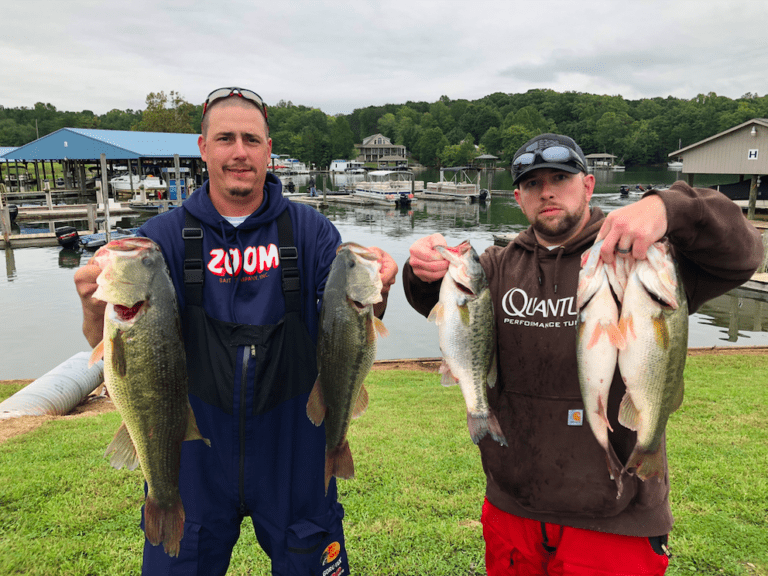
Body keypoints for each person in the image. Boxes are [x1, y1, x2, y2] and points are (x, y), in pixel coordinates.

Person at [402, 133, 763, 576]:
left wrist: (667, 207)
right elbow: (446, 311)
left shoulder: (644, 259)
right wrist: (423, 271)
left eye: (560, 178)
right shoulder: (495, 266)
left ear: (588, 185)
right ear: (517, 198)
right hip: (514, 506)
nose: (546, 192)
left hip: (616, 517)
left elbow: (742, 254)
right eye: (532, 184)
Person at [75, 87, 398, 576]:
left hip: (293, 447)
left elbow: (348, 327)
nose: (239, 152)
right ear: (203, 148)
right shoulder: (156, 242)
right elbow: (115, 353)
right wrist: (90, 304)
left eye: (252, 139)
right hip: (192, 452)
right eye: (225, 138)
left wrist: (379, 286)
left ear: (269, 150)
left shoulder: (311, 232)